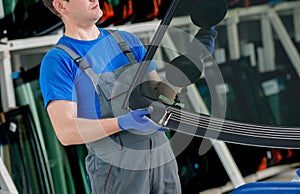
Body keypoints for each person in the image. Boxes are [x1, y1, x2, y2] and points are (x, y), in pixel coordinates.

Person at [40, 0, 216, 193]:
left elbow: (160, 96)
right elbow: (66, 132)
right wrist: (122, 122)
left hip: (160, 155)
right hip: (117, 169)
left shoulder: (126, 41)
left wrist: (191, 62)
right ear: (60, 6)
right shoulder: (58, 61)